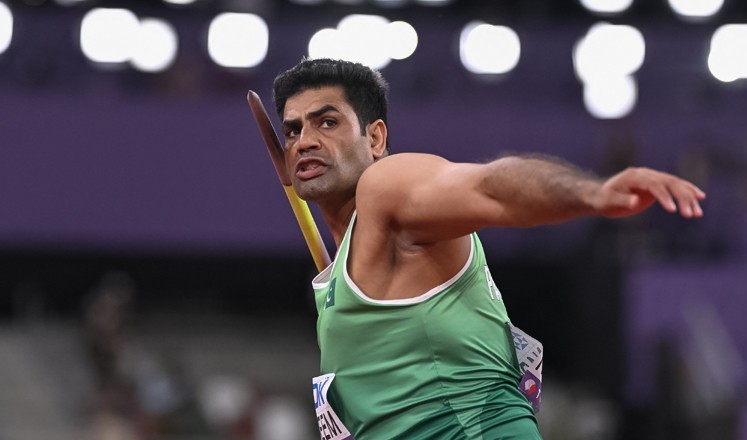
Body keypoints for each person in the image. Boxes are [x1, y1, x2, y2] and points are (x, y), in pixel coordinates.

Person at [271, 58, 705, 439]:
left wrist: (592, 194)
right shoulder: (340, 277)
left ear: (376, 139)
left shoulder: (386, 188)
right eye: (293, 130)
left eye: (327, 122)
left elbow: (490, 187)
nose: (305, 140)